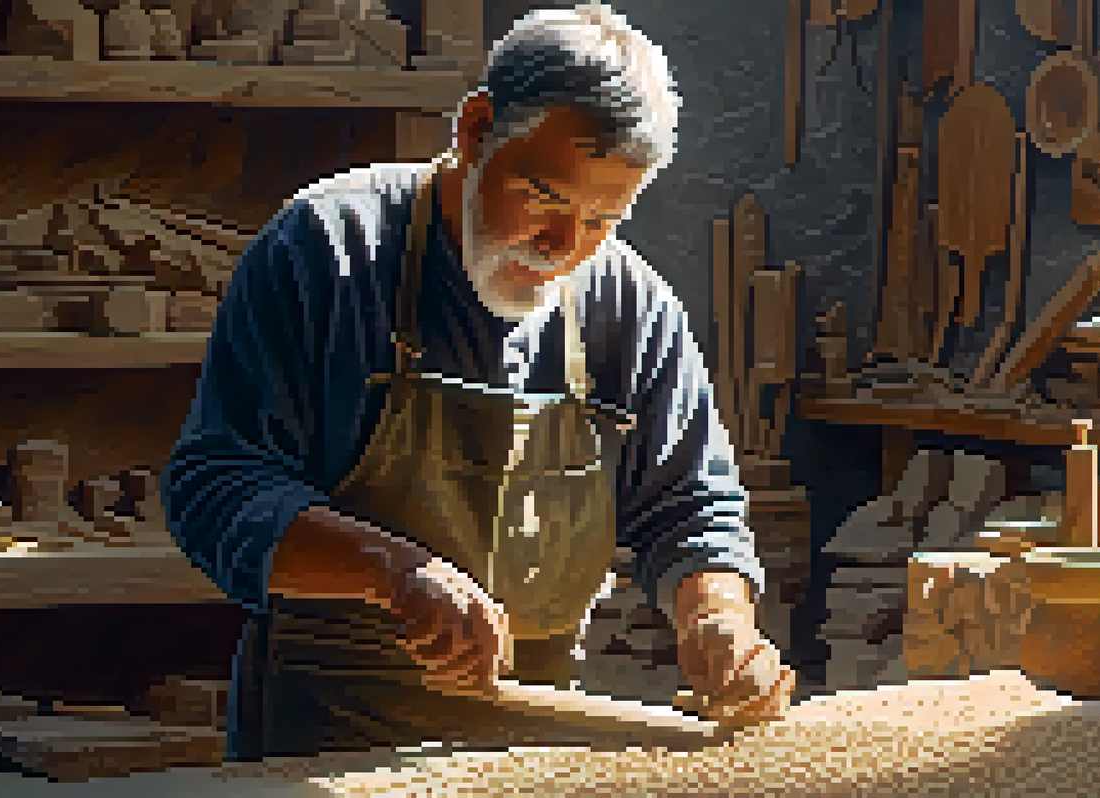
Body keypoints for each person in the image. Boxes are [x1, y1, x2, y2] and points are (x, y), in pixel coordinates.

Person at [164, 3, 795, 760]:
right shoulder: (328, 250)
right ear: (474, 132)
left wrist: (716, 616)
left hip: (536, 742)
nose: (564, 247)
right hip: (328, 736)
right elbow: (216, 486)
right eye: (544, 199)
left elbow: (691, 509)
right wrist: (395, 573)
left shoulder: (629, 303)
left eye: (602, 221)